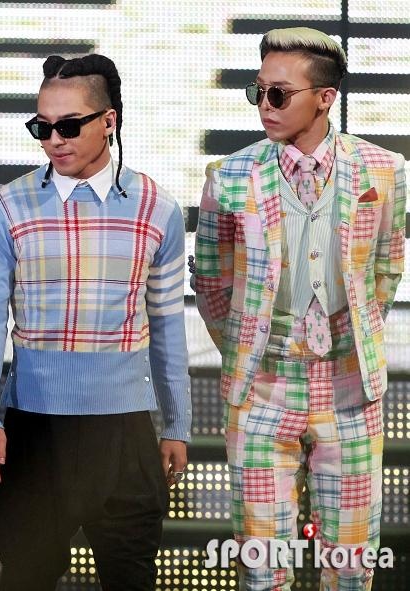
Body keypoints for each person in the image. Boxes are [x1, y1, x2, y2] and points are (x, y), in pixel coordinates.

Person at [0, 53, 192, 591]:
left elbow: (167, 324)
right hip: (35, 430)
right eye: (41, 128)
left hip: (127, 432)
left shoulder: (157, 208)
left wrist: (178, 425)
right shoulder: (9, 207)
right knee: (26, 578)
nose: (53, 141)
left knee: (131, 580)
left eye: (68, 126)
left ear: (109, 120)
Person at [193, 27, 406, 591]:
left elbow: (386, 268)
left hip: (349, 389)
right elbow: (211, 281)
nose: (265, 105)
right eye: (258, 91)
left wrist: (352, 333)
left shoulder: (384, 170)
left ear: (325, 97)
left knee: (351, 568)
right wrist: (248, 346)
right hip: (261, 390)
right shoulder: (228, 176)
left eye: (279, 94)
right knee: (262, 569)